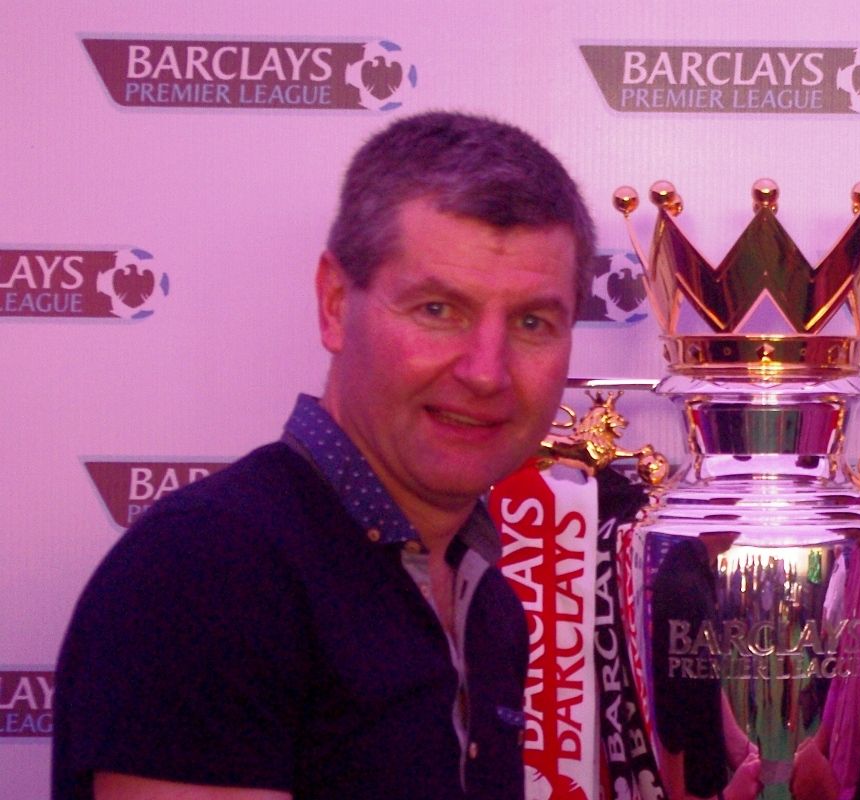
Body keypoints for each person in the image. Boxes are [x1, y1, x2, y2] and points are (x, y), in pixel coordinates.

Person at [53, 111, 595, 800]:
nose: (486, 371)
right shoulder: (210, 573)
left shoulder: (484, 601)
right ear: (336, 304)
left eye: (531, 322)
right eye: (437, 309)